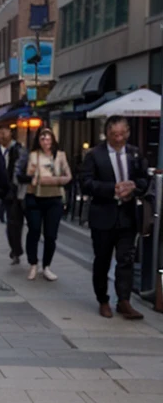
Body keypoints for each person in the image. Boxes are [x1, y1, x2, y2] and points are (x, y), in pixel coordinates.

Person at [81, 117, 148, 319]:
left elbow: (145, 179)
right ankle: (103, 299)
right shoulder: (95, 155)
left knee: (125, 259)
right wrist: (112, 189)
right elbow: (86, 182)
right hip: (103, 214)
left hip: (127, 215)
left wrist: (134, 187)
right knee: (102, 260)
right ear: (107, 134)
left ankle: (124, 300)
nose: (119, 139)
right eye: (114, 135)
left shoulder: (134, 153)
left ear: (127, 133)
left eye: (122, 134)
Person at [24, 127, 71, 281]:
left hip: (54, 198)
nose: (46, 141)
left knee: (51, 235)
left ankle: (46, 266)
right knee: (34, 230)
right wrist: (35, 177)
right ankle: (33, 263)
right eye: (43, 138)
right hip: (35, 197)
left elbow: (68, 175)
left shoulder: (60, 156)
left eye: (48, 138)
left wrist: (53, 180)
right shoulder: (34, 156)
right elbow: (30, 176)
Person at [0, 123, 24, 263]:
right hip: (2, 192)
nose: (2, 135)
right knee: (10, 222)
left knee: (15, 222)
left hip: (17, 192)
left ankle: (16, 250)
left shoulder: (17, 148)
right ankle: (15, 249)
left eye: (5, 131)